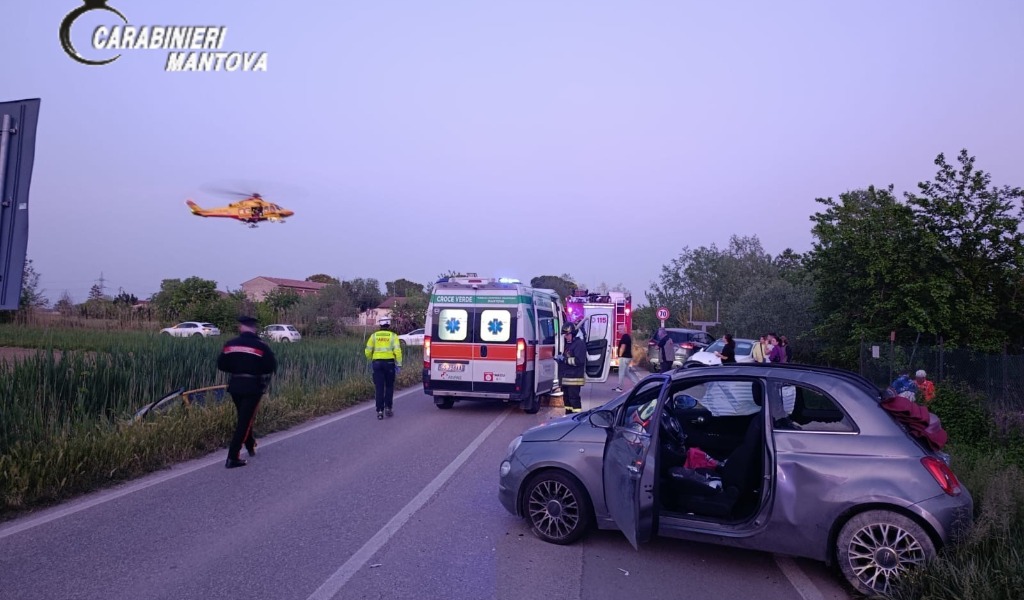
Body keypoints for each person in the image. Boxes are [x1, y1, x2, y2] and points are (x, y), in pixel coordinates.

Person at [217, 315, 278, 469]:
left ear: (240, 327)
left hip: (235, 385)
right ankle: (232, 457)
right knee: (244, 422)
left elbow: (222, 365)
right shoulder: (261, 346)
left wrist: (238, 368)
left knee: (245, 417)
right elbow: (270, 366)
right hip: (253, 386)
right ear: (254, 328)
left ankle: (250, 445)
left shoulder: (230, 344)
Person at [364, 317, 403, 419]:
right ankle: (388, 408)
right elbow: (398, 351)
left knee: (379, 388)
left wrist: (371, 360)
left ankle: (379, 411)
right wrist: (398, 364)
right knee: (389, 387)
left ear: (380, 325)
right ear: (389, 325)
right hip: (389, 363)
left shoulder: (374, 336)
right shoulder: (393, 336)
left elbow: (368, 350)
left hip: (377, 364)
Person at [556, 323, 587, 414]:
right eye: (565, 335)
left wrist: (564, 360)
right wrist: (560, 360)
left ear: (573, 333)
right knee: (567, 399)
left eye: (567, 334)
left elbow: (579, 361)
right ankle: (568, 416)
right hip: (567, 378)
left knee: (574, 399)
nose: (565, 337)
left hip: (574, 378)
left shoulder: (579, 344)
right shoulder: (569, 344)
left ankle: (576, 418)